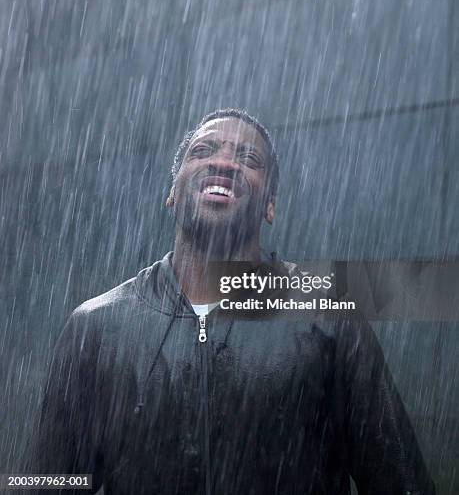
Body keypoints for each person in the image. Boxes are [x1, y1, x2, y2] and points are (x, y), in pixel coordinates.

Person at [29, 109, 435, 494]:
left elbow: (402, 481)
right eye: (203, 151)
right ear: (172, 192)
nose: (223, 163)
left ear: (270, 206)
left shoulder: (328, 315)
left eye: (248, 158)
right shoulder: (98, 326)